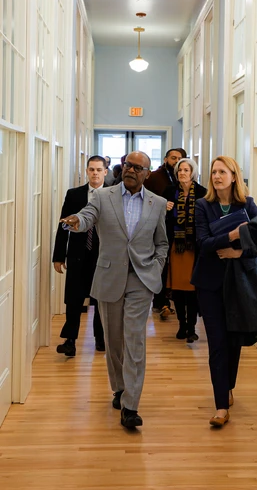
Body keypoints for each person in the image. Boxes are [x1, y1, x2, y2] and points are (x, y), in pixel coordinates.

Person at [60, 151, 168, 429]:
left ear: (147, 172)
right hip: (109, 277)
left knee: (135, 340)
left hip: (141, 280)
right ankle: (119, 387)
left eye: (138, 167)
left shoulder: (157, 204)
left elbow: (162, 243)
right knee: (114, 340)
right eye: (127, 165)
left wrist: (155, 267)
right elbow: (87, 216)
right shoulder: (102, 196)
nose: (131, 170)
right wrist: (76, 222)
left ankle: (131, 405)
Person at [191, 156, 257, 428]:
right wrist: (232, 236)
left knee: (233, 342)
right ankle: (221, 406)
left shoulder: (247, 204)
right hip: (209, 285)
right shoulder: (203, 205)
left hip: (239, 284)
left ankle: (227, 386)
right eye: (213, 172)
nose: (216, 176)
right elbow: (203, 243)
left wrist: (240, 250)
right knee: (217, 343)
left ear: (234, 175)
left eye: (222, 171)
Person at [53, 155, 108, 357]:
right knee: (74, 299)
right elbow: (63, 225)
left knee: (101, 299)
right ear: (87, 171)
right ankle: (70, 341)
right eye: (91, 169)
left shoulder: (112, 195)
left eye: (98, 170)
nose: (94, 173)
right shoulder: (74, 194)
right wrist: (58, 255)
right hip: (77, 254)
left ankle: (101, 339)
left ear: (105, 172)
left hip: (103, 256)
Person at [163, 158, 206, 342]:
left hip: (195, 247)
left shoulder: (203, 193)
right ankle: (181, 325)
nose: (182, 173)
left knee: (193, 288)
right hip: (176, 247)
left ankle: (192, 328)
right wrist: (164, 209)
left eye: (186, 170)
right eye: (180, 170)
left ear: (192, 172)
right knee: (179, 289)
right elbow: (159, 219)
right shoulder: (169, 192)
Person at [145, 148, 183, 320]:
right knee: (160, 263)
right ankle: (159, 301)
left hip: (178, 228)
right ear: (166, 159)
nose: (176, 161)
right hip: (156, 225)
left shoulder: (183, 177)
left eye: (179, 158)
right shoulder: (154, 177)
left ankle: (170, 299)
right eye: (173, 158)